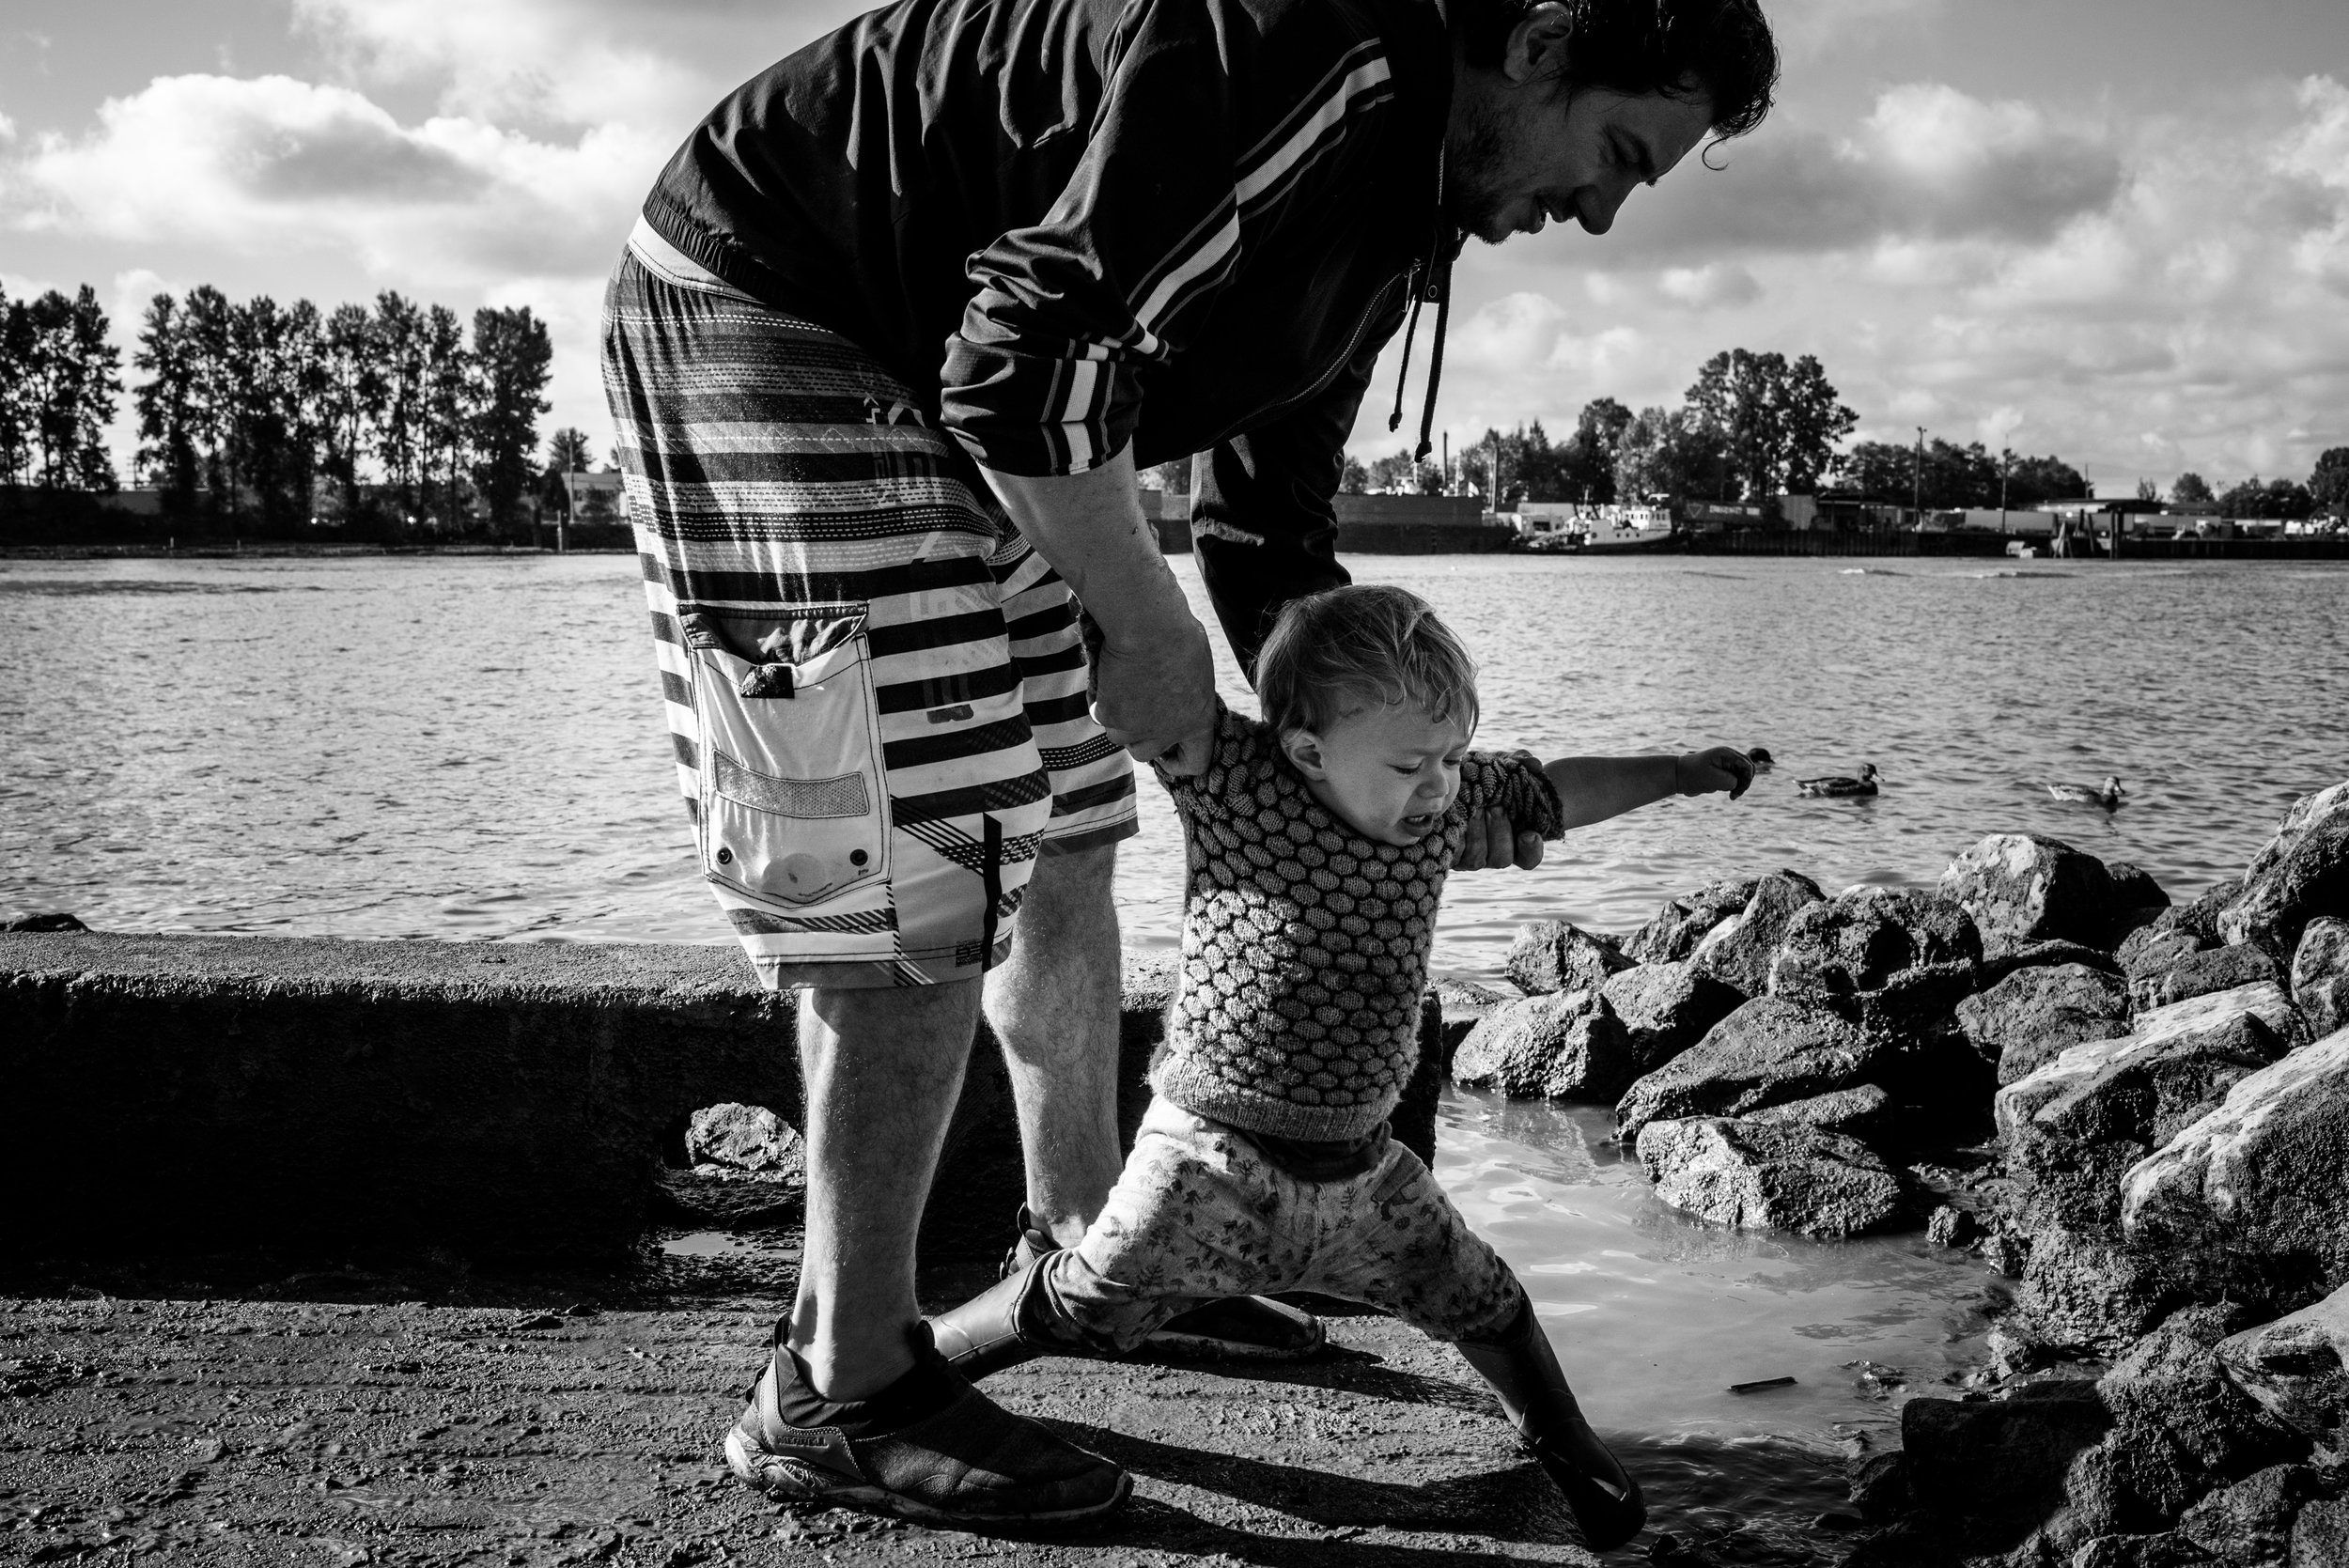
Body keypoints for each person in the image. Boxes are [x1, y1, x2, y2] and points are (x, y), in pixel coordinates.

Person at [604, 0, 1780, 1529]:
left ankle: (1093, 1232)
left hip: (967, 391)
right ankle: (843, 1378)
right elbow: (1026, 347)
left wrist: (1350, 758)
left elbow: (1264, 524)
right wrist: (1138, 615)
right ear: (1545, 40)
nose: (1606, 212)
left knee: (1070, 819)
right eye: (1622, 153)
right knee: (918, 851)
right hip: (784, 305)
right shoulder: (1318, 54)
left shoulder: (1398, 211)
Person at [922, 584, 1752, 1545]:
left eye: (1449, 756)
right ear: (1309, 749)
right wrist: (1098, 607)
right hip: (1208, 1149)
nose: (1440, 784)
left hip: (1364, 1165)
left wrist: (1680, 771)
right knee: (1086, 1296)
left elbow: (1559, 791)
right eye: (1411, 764)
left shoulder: (1444, 810)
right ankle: (918, 1362)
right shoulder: (1235, 780)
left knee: (1484, 1300)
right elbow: (1150, 696)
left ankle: (1560, 1434)